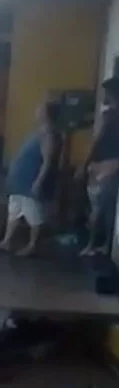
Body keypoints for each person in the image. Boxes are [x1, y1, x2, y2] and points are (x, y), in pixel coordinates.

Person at [0, 101, 63, 256]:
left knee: (34, 215)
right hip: (19, 182)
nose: (36, 111)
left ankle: (32, 245)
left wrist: (38, 182)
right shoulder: (37, 132)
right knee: (14, 212)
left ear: (46, 114)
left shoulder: (49, 136)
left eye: (39, 109)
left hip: (29, 182)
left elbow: (47, 162)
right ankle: (7, 241)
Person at [78, 76, 119, 256]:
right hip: (112, 166)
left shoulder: (108, 115)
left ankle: (92, 245)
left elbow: (95, 141)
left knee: (97, 209)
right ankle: (106, 245)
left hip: (103, 166)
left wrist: (84, 165)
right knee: (108, 210)